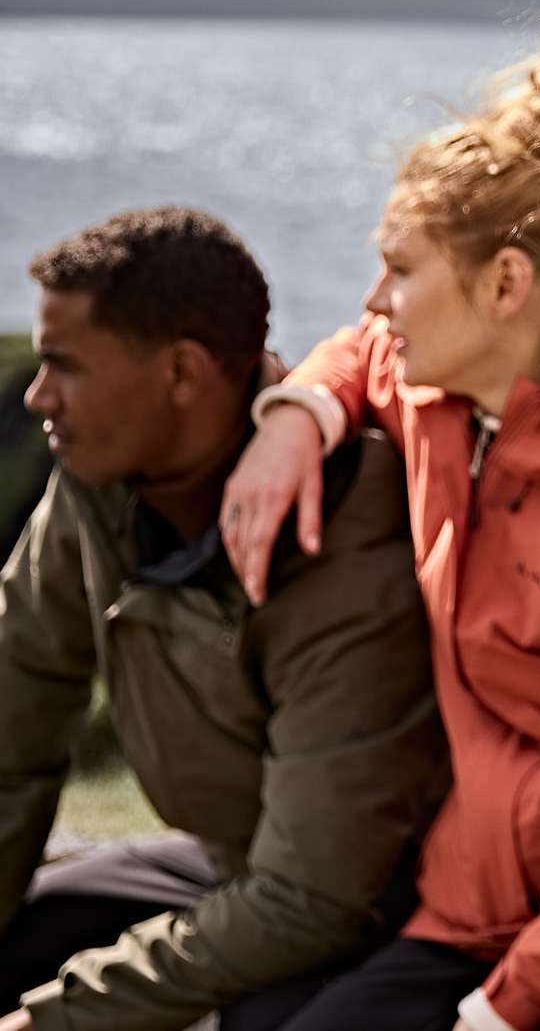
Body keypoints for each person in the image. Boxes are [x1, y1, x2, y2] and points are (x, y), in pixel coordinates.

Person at [213, 59, 540, 1031]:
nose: (375, 300)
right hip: (459, 904)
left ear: (507, 284)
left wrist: (509, 1003)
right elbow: (359, 353)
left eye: (400, 269)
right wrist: (300, 412)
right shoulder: (440, 400)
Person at [0, 207, 447, 1031]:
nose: (37, 396)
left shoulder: (346, 537)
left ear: (181, 373)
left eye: (65, 365)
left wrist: (56, 1020)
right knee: (25, 934)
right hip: (236, 861)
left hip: (380, 901)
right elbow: (12, 731)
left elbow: (314, 899)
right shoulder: (99, 483)